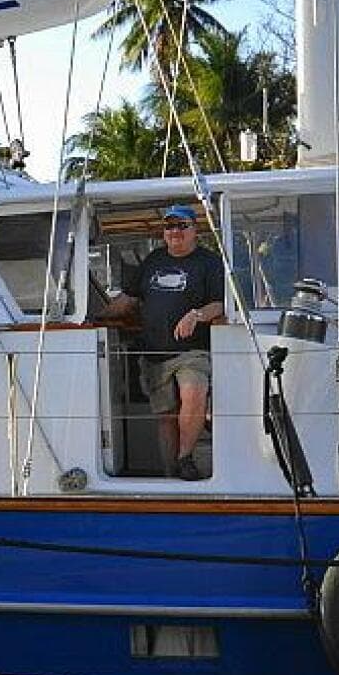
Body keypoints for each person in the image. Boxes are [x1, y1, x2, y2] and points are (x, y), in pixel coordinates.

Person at [105, 205, 226, 480]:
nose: (175, 232)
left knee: (194, 392)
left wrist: (196, 315)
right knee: (166, 416)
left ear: (195, 230)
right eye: (169, 226)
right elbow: (129, 298)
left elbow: (219, 304)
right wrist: (93, 318)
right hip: (154, 352)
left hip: (192, 351)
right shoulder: (153, 260)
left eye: (182, 226)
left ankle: (185, 458)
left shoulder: (209, 262)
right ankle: (171, 475)